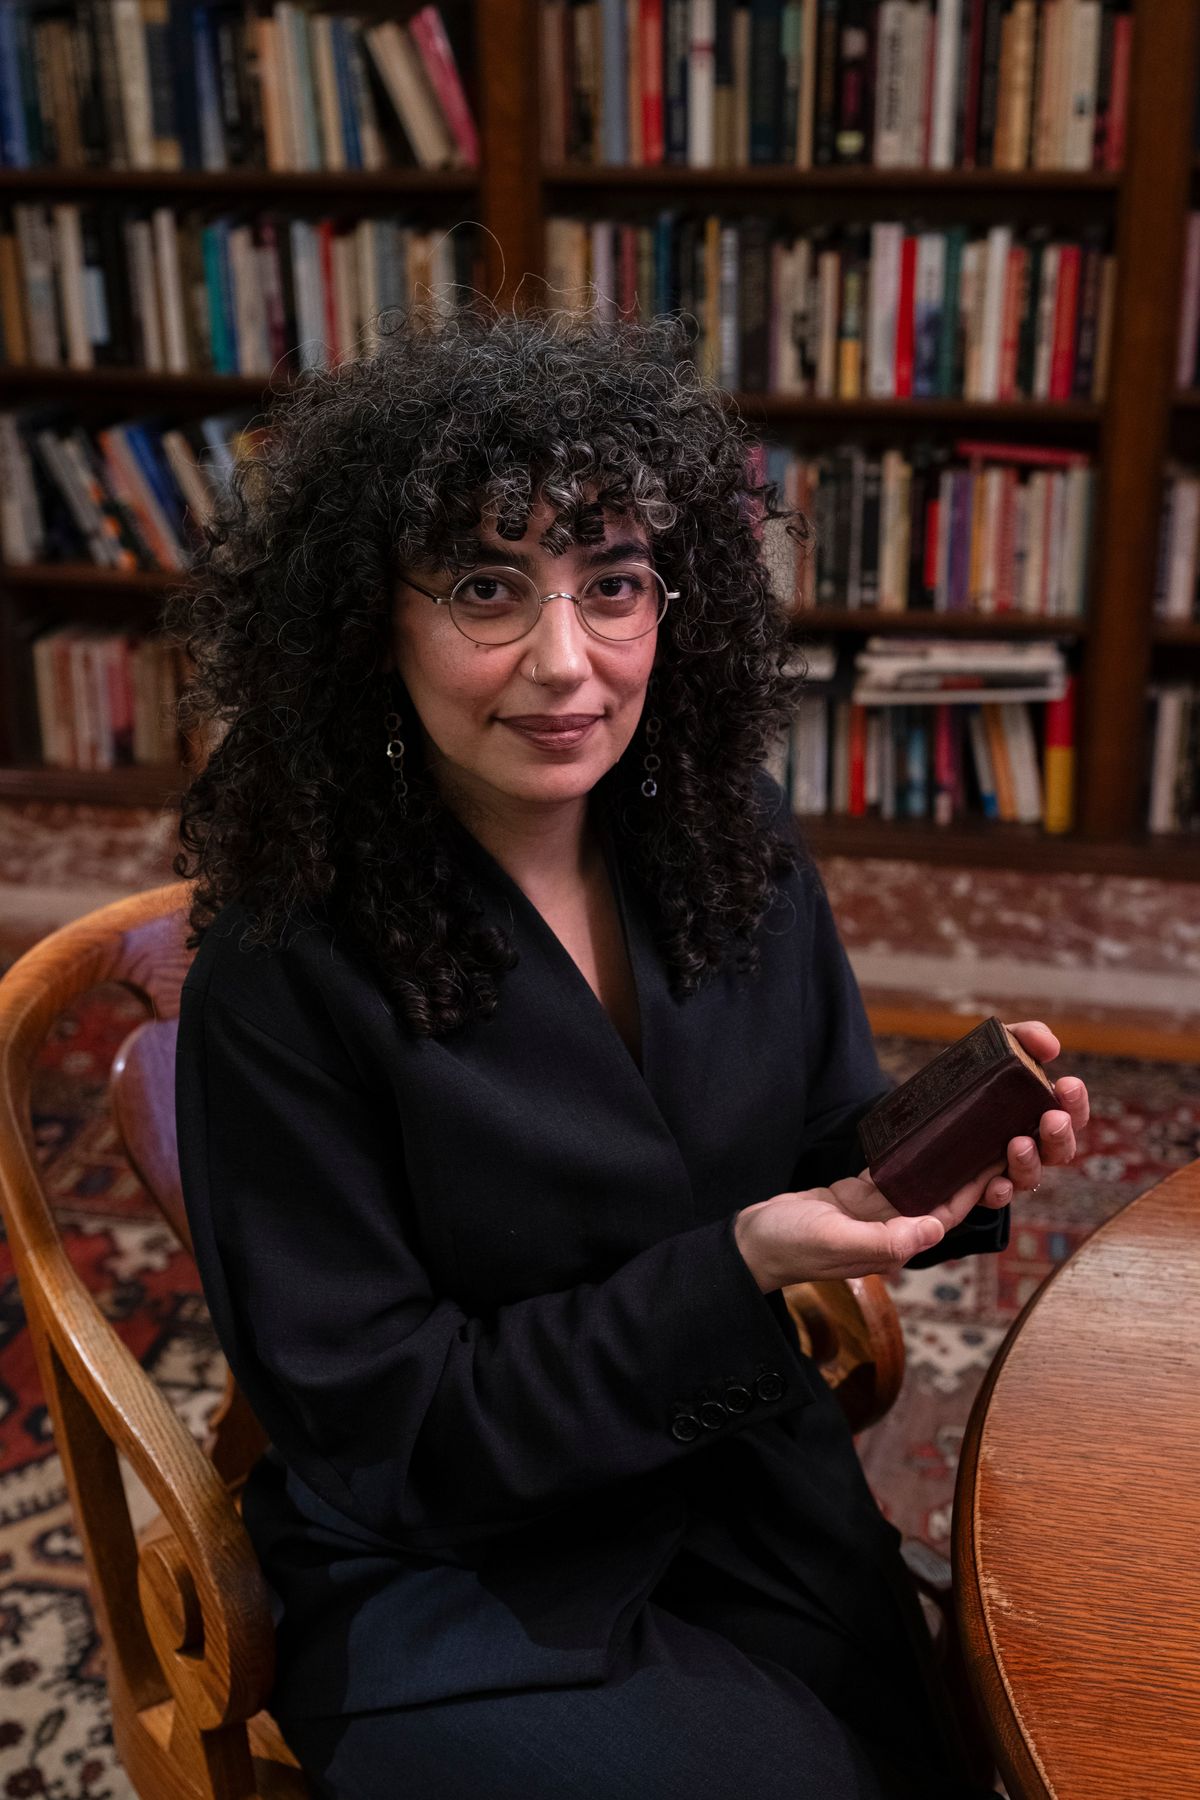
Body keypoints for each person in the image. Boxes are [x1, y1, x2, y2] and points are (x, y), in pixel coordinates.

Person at [169, 303, 1089, 1800]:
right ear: (369, 622)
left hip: (728, 1475)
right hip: (455, 1567)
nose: (566, 663)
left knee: (958, 1739)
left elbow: (817, 1154)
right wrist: (737, 1265)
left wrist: (942, 1171)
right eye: (486, 588)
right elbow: (395, 1428)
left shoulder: (733, 853)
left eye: (612, 586)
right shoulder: (279, 975)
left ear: (678, 601)